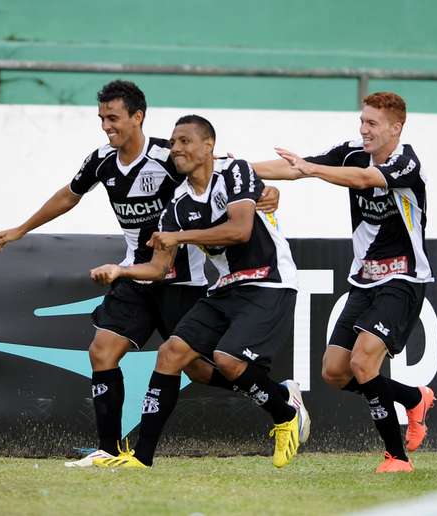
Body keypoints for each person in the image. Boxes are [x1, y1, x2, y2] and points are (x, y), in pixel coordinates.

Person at [0, 81, 287, 467]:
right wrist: (20, 229)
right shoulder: (101, 160)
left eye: (113, 118)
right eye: (101, 119)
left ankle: (276, 395)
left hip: (183, 280)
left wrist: (269, 190)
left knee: (197, 367)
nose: (106, 126)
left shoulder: (169, 155)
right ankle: (109, 450)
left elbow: (224, 171)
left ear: (137, 117)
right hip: (136, 274)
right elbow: (69, 194)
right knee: (102, 352)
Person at [89, 114, 306, 469]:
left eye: (185, 141)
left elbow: (240, 231)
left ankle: (284, 412)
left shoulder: (234, 172)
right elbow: (159, 267)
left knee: (227, 361)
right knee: (170, 353)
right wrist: (121, 271)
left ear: (209, 146)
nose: (176, 148)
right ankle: (141, 459)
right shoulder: (179, 204)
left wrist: (180, 237)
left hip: (269, 281)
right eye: (173, 142)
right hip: (225, 288)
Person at [253, 92, 435, 473]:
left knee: (364, 361)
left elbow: (365, 178)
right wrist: (238, 169)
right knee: (335, 372)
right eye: (362, 121)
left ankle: (397, 457)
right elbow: (296, 168)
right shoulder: (352, 151)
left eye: (372, 123)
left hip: (403, 277)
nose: (364, 129)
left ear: (396, 127)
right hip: (363, 279)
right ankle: (413, 398)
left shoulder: (406, 162)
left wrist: (312, 169)